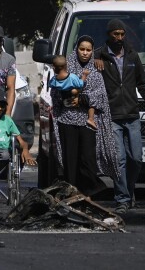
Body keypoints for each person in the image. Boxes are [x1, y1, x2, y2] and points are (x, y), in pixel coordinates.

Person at [94, 19, 145, 213]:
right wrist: (94, 60)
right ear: (109, 35)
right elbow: (78, 59)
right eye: (115, 34)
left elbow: (143, 83)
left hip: (132, 115)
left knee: (136, 158)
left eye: (122, 34)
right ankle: (122, 199)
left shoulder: (132, 55)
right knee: (119, 159)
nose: (119, 38)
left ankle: (129, 190)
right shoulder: (99, 55)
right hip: (111, 116)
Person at [51, 35, 119, 198]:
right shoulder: (66, 68)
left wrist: (82, 99)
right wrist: (66, 97)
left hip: (88, 123)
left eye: (88, 50)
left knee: (87, 160)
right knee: (70, 160)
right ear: (76, 50)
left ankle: (89, 193)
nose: (85, 53)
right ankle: (71, 194)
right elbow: (55, 92)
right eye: (82, 49)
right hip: (67, 120)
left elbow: (100, 96)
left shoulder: (95, 72)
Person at [49, 55, 96, 129]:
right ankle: (91, 119)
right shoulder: (72, 77)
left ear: (54, 68)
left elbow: (50, 85)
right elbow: (80, 84)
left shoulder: (54, 80)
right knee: (91, 100)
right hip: (74, 97)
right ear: (66, 65)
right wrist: (84, 75)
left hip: (64, 100)